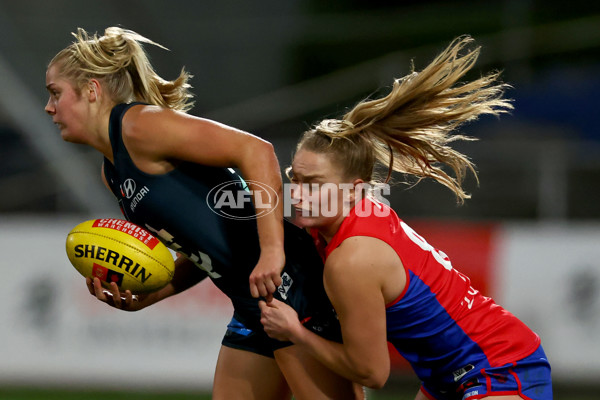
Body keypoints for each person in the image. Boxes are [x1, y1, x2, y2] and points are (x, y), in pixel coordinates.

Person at [45, 26, 363, 400]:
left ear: (92, 91)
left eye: (55, 93)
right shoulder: (112, 171)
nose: (49, 107)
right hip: (252, 307)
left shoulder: (140, 126)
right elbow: (202, 252)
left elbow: (257, 151)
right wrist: (148, 296)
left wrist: (272, 251)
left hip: (292, 289)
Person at [259, 36, 553, 400]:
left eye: (314, 184)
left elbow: (372, 372)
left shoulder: (351, 259)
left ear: (355, 189)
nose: (298, 194)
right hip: (446, 376)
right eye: (295, 179)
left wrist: (295, 333)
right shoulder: (354, 217)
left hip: (499, 367)